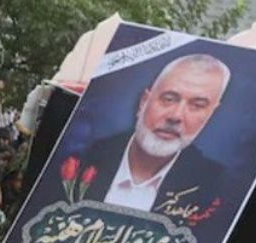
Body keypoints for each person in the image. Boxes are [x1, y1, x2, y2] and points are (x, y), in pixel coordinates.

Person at [80, 53, 230, 216]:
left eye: (196, 105)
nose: (176, 116)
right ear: (144, 101)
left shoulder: (215, 187)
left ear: (210, 115)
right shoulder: (83, 158)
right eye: (169, 99)